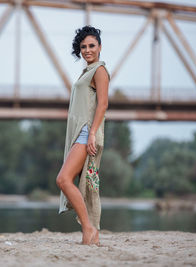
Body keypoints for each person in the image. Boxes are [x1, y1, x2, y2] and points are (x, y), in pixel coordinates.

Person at [56, 25, 110, 246]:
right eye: (83, 47)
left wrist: (92, 135)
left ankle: (88, 229)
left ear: (99, 47)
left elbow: (103, 104)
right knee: (85, 184)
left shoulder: (99, 71)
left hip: (86, 132)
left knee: (63, 179)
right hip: (80, 133)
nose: (87, 50)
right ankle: (91, 234)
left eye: (91, 46)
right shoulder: (87, 71)